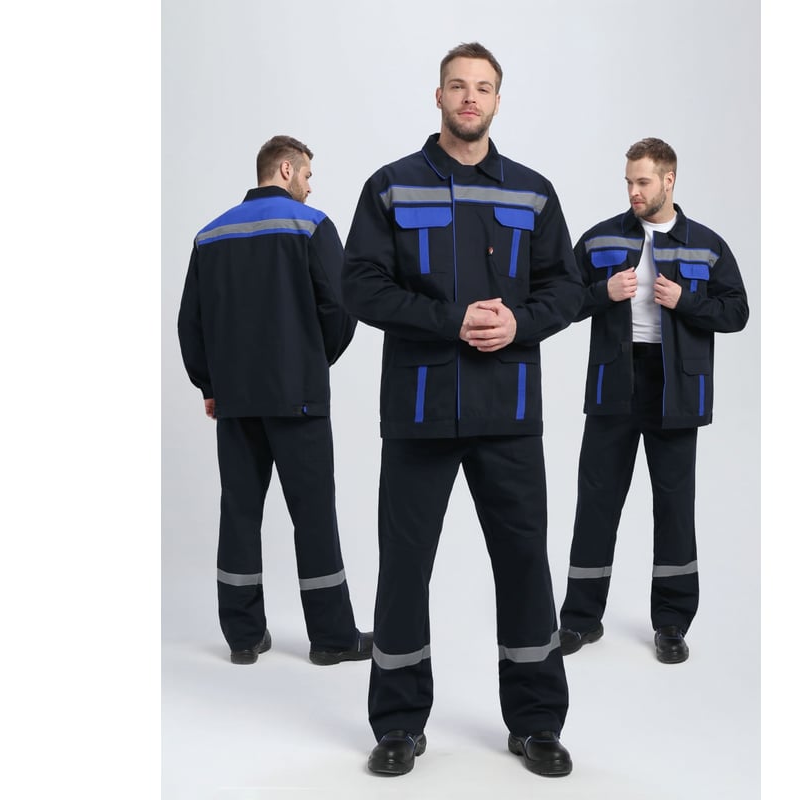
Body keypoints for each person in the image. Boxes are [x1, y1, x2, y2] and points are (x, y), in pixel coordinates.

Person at [342, 43, 583, 778]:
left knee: (524, 565)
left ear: (498, 101)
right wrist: (450, 320)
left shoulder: (533, 192)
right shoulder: (391, 186)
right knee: (404, 567)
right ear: (439, 96)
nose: (470, 97)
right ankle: (397, 724)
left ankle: (537, 723)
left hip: (508, 411)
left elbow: (567, 289)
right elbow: (360, 285)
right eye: (458, 86)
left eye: (483, 87)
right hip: (419, 413)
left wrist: (518, 322)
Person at [177, 135, 373, 668]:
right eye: (307, 175)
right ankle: (332, 638)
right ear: (286, 170)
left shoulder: (210, 234)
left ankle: (243, 637)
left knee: (239, 513)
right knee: (313, 516)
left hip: (236, 403)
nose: (310, 187)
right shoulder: (311, 226)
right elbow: (342, 306)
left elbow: (190, 322)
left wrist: (210, 385)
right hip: (298, 398)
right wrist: (311, 360)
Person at [557, 137, 749, 664]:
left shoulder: (706, 244)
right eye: (628, 182)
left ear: (669, 180)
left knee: (674, 507)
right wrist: (603, 294)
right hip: (614, 385)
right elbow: (560, 299)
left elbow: (737, 312)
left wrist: (687, 301)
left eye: (643, 182)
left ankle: (671, 622)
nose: (633, 192)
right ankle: (580, 620)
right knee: (596, 503)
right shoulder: (600, 238)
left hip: (675, 389)